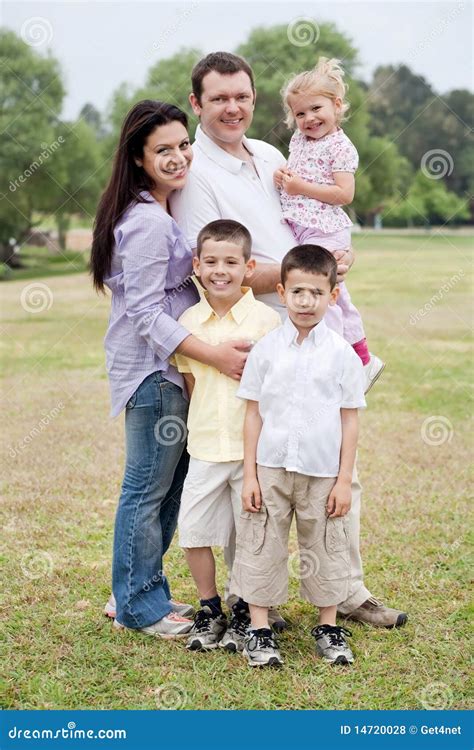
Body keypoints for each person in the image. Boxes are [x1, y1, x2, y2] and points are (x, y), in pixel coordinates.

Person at [171, 51, 407, 629]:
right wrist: (309, 276)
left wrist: (335, 259)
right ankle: (255, 604)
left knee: (334, 467)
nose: (233, 107)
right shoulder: (195, 174)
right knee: (260, 473)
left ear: (256, 101)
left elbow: (315, 221)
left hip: (316, 327)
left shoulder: (275, 154)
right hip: (259, 337)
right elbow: (220, 267)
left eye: (243, 96)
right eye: (219, 98)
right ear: (197, 104)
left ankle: (348, 591)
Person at [91, 100, 251, 638]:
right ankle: (137, 606)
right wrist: (214, 356)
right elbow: (143, 313)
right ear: (138, 157)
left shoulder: (158, 213)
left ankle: (143, 592)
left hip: (170, 373)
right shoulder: (147, 224)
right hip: (153, 375)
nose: (180, 156)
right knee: (146, 491)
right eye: (164, 149)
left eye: (184, 145)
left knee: (168, 488)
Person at [231, 245, 366, 667]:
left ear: (333, 296)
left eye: (316, 292)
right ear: (282, 292)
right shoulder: (267, 350)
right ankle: (259, 629)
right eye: (297, 292)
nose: (306, 301)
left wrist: (344, 480)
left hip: (323, 472)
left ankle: (328, 626)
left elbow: (350, 421)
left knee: (326, 544)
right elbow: (253, 414)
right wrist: (250, 475)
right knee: (261, 544)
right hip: (270, 468)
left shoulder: (342, 354)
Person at [173, 219, 281, 652]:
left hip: (250, 452)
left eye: (231, 262)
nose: (221, 270)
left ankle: (244, 610)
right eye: (211, 261)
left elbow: (275, 391)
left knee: (249, 534)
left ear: (248, 267)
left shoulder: (268, 320)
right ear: (197, 266)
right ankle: (209, 607)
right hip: (204, 447)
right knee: (194, 530)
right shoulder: (187, 322)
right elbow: (191, 385)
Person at [275, 57, 384, 389]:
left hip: (326, 228)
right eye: (300, 114)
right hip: (305, 228)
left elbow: (344, 193)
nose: (309, 119)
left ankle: (334, 359)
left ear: (337, 106)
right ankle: (362, 359)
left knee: (326, 296)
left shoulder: (340, 147)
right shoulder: (300, 142)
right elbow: (296, 175)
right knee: (338, 295)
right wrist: (283, 177)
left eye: (316, 109)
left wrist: (298, 187)